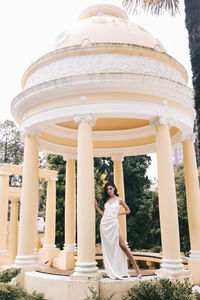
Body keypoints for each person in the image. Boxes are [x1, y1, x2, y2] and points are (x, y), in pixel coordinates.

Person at [95, 182, 142, 280]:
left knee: (123, 246)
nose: (109, 191)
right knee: (109, 248)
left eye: (110, 189)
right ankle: (112, 270)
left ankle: (137, 270)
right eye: (107, 189)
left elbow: (128, 210)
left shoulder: (119, 200)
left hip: (114, 223)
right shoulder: (106, 201)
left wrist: (118, 214)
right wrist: (96, 207)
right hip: (105, 225)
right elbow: (104, 214)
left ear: (114, 188)